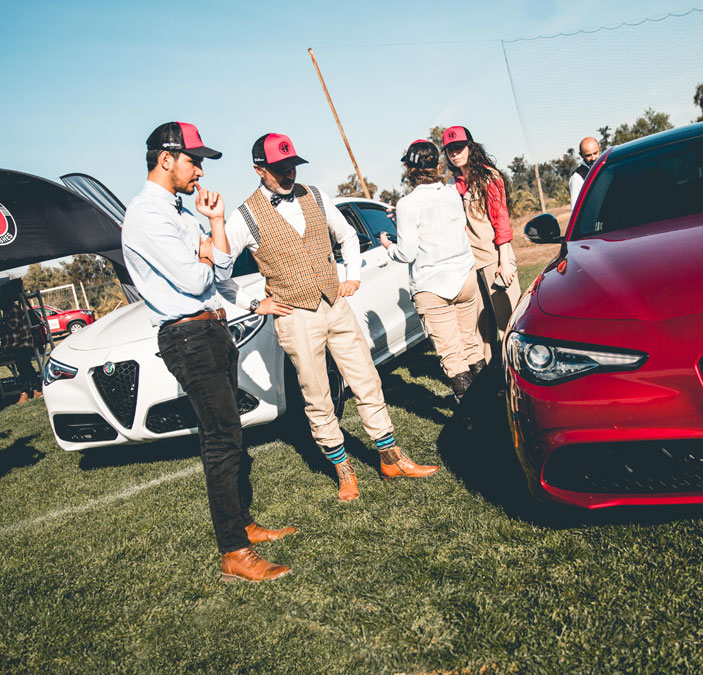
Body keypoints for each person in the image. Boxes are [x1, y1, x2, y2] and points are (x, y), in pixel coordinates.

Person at [217, 133, 439, 503]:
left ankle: (391, 458)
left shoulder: (315, 196)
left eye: (292, 165)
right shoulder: (245, 216)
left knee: (366, 380)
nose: (289, 173)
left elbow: (348, 236)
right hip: (294, 316)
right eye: (279, 168)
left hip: (335, 305)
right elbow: (218, 273)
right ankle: (344, 471)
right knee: (317, 396)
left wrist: (351, 276)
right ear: (259, 169)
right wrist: (255, 304)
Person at [121, 121, 293, 583]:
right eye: (193, 160)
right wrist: (207, 248)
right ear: (166, 159)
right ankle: (233, 551)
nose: (200, 171)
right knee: (221, 437)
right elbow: (197, 278)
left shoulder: (179, 213)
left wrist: (213, 228)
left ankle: (243, 525)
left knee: (229, 433)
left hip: (210, 330)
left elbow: (218, 273)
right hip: (187, 336)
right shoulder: (146, 214)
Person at [380, 140, 483, 403]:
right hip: (465, 276)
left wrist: (389, 246)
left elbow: (407, 253)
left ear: (409, 168)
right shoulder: (452, 193)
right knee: (470, 343)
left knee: (452, 353)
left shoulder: (407, 204)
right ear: (436, 165)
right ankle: (489, 402)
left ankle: (472, 415)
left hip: (433, 285)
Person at [443, 125, 520, 364]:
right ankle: (487, 376)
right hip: (468, 265)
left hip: (494, 259)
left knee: (508, 324)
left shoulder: (489, 177)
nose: (455, 153)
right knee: (479, 330)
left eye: (459, 147)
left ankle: (517, 371)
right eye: (449, 150)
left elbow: (501, 220)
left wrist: (504, 262)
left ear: (470, 147)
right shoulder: (451, 185)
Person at [569, 136, 602, 210]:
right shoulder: (577, 178)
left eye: (595, 153)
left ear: (599, 149)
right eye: (588, 155)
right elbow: (576, 209)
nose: (593, 158)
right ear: (581, 155)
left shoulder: (607, 168)